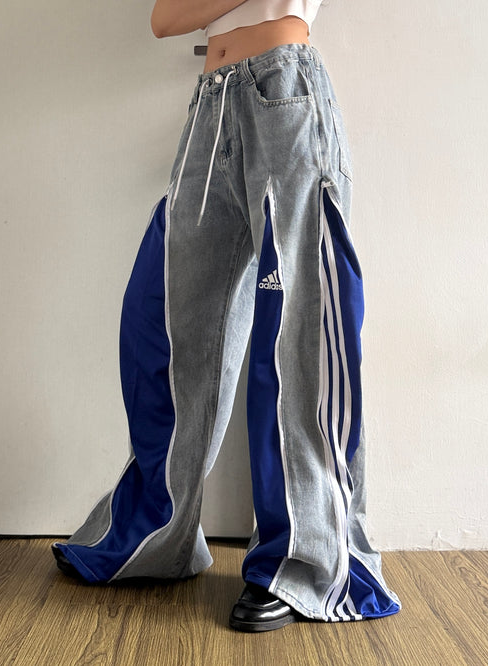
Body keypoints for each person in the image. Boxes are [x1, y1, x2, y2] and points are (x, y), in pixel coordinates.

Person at [52, 0, 401, 632]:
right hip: (210, 108)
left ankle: (304, 560)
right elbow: (165, 17)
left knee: (298, 335)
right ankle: (155, 532)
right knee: (167, 319)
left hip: (285, 92)